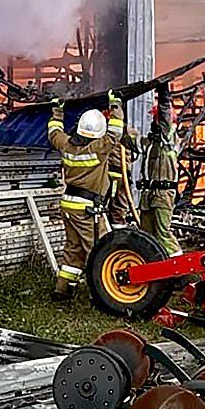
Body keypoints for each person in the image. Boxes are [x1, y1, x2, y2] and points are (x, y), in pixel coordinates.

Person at [47, 91, 124, 299]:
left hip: (68, 204)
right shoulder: (99, 147)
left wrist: (57, 111)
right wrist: (115, 104)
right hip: (87, 207)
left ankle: (62, 289)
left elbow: (54, 133)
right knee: (97, 250)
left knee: (73, 247)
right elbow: (115, 133)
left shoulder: (66, 144)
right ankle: (101, 293)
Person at [137, 84, 182, 256]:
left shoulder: (168, 140)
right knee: (146, 236)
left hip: (163, 196)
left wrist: (164, 95)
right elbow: (130, 139)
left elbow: (165, 118)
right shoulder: (152, 144)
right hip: (149, 196)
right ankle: (153, 269)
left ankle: (181, 270)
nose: (152, 123)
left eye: (154, 119)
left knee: (163, 233)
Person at [107, 127, 140, 226]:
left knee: (116, 206)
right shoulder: (128, 133)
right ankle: (118, 227)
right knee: (118, 206)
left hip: (114, 175)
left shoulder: (108, 134)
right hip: (118, 175)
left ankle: (117, 228)